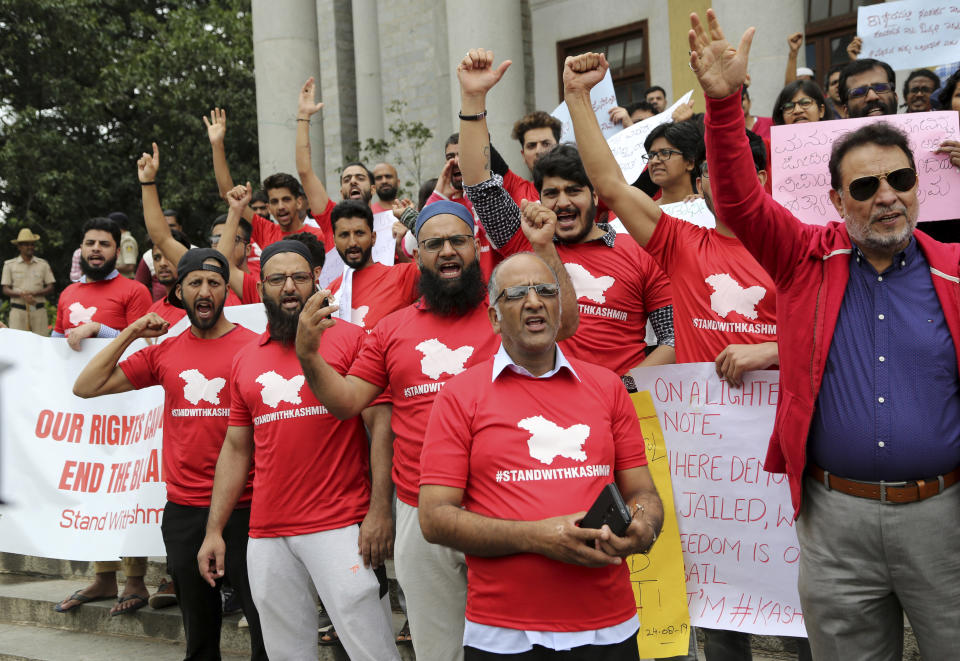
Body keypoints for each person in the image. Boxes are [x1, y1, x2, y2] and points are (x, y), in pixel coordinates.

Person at [689, 9, 960, 659]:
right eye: (864, 186)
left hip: (944, 521)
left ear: (919, 187)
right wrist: (724, 104)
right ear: (837, 200)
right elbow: (739, 201)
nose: (886, 196)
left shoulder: (953, 272)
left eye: (900, 180)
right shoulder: (803, 255)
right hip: (835, 525)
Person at [565, 49, 815, 661]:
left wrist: (767, 350)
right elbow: (607, 186)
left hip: (785, 452)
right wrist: (577, 98)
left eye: (741, 177)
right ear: (701, 183)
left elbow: (835, 337)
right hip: (705, 463)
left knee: (800, 612)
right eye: (714, 177)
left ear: (761, 182)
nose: (726, 187)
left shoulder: (800, 250)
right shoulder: (679, 242)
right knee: (719, 613)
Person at [293, 198, 579, 661]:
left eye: (457, 240)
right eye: (434, 243)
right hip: (420, 513)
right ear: (415, 255)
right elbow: (346, 403)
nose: (447, 251)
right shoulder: (390, 331)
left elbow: (564, 323)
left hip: (507, 504)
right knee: (439, 651)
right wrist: (309, 355)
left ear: (476, 245)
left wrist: (544, 248)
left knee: (519, 647)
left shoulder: (503, 312)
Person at [419, 252, 663, 660]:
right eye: (516, 294)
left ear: (559, 307)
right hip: (504, 634)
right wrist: (537, 537)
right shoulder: (459, 395)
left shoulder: (607, 387)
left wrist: (644, 527)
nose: (534, 301)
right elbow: (434, 518)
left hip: (607, 628)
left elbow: (643, 493)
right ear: (495, 318)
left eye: (546, 291)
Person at [196, 239, 398, 660]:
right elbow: (236, 449)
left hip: (341, 526)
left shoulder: (354, 340)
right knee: (285, 653)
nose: (289, 287)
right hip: (267, 533)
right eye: (277, 279)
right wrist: (214, 530)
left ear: (317, 282)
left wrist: (381, 510)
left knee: (371, 650)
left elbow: (381, 427)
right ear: (261, 287)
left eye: (299, 277)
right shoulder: (246, 358)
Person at [72, 248, 266, 660]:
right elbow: (85, 386)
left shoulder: (255, 348)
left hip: (247, 507)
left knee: (264, 626)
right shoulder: (165, 352)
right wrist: (130, 332)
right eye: (195, 282)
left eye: (214, 282)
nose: (205, 290)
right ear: (179, 291)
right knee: (199, 634)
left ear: (225, 293)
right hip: (184, 510)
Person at [458, 49, 676, 385]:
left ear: (595, 195)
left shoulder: (639, 252)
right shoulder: (522, 242)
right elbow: (479, 186)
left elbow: (672, 339)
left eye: (574, 191)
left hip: (626, 407)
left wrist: (620, 389)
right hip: (541, 410)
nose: (562, 203)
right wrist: (473, 99)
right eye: (551, 193)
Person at [205, 105, 332, 246]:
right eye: (274, 202)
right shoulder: (265, 231)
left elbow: (305, 171)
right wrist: (217, 145)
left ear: (299, 202)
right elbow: (227, 194)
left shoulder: (319, 236)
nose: (281, 206)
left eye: (286, 199)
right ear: (269, 207)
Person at [52, 217, 152, 349]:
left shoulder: (136, 291)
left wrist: (98, 329)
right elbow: (54, 343)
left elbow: (143, 345)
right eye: (90, 243)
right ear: (81, 249)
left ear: (117, 252)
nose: (96, 248)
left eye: (104, 244)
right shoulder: (67, 292)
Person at [326, 200, 420, 331]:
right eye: (344, 235)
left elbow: (439, 259)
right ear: (335, 242)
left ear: (373, 237)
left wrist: (412, 219)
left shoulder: (402, 276)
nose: (352, 242)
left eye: (359, 233)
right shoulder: (329, 293)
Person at [2, 228, 55, 335]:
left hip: (38, 310)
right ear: (19, 246)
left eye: (32, 244)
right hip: (18, 311)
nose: (30, 247)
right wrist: (22, 295)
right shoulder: (9, 265)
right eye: (26, 244)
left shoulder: (43, 264)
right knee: (17, 344)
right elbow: (5, 289)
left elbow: (51, 287)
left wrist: (34, 293)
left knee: (42, 342)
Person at [135, 209, 184, 301]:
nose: (162, 263)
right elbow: (138, 287)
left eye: (170, 257)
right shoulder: (147, 256)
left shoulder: (194, 252)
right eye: (157, 258)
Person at [110, 211, 139, 279]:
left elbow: (130, 266)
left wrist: (108, 268)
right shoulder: (118, 239)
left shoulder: (127, 241)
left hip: (125, 281)